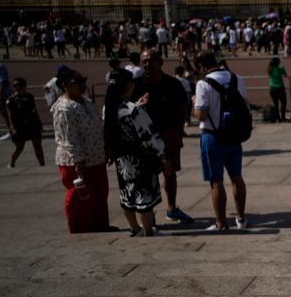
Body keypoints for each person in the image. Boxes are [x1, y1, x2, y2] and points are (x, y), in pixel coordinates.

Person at [103, 69, 166, 237]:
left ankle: (134, 228)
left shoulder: (109, 108)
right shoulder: (133, 110)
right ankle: (147, 231)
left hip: (123, 158)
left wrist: (137, 105)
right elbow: (148, 135)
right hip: (141, 157)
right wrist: (162, 155)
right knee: (144, 197)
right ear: (129, 85)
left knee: (127, 193)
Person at [133, 49, 193, 224]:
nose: (147, 65)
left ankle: (172, 208)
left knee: (170, 173)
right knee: (148, 176)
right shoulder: (136, 85)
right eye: (144, 61)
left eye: (151, 61)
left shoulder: (173, 84)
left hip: (169, 133)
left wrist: (180, 129)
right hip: (145, 137)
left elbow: (183, 107)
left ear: (161, 62)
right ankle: (148, 213)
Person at [52, 69, 112, 233]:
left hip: (96, 157)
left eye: (83, 81)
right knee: (80, 195)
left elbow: (99, 126)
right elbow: (68, 138)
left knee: (99, 193)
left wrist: (106, 149)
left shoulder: (86, 102)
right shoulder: (64, 108)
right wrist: (78, 160)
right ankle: (81, 225)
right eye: (77, 83)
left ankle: (100, 223)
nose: (82, 86)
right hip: (77, 160)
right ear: (65, 85)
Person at [194, 52, 249, 231]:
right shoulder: (236, 78)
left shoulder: (203, 84)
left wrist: (194, 103)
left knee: (216, 181)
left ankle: (221, 223)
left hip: (213, 135)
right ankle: (241, 218)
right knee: (237, 177)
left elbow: (201, 114)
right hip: (234, 134)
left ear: (202, 66)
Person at [4, 78, 45, 169]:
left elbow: (34, 110)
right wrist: (12, 127)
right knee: (20, 147)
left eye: (20, 85)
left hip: (32, 123)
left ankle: (42, 164)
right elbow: (9, 114)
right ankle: (12, 163)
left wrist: (39, 122)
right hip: (19, 125)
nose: (18, 87)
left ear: (25, 86)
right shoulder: (11, 100)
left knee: (37, 145)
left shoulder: (29, 96)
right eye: (15, 86)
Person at [267, 56, 288, 122]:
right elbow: (285, 74)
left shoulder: (270, 69)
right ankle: (283, 117)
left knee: (276, 104)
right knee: (283, 103)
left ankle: (277, 117)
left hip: (272, 88)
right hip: (280, 87)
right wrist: (282, 66)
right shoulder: (280, 68)